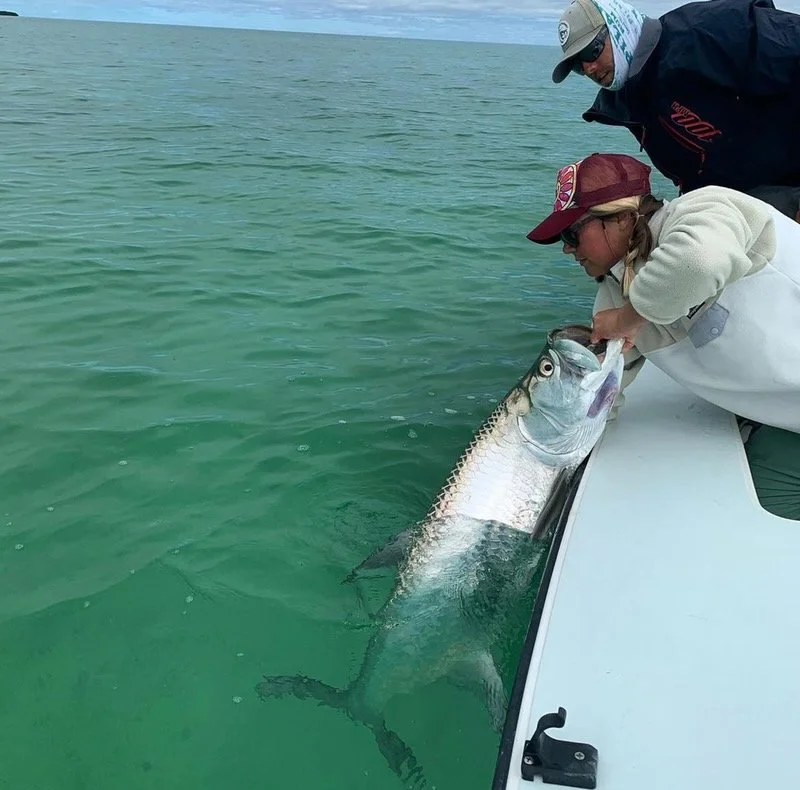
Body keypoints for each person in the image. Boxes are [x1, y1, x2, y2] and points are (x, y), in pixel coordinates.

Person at [526, 152, 800, 516]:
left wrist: (631, 316)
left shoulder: (707, 208)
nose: (567, 248)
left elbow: (700, 262)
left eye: (573, 233)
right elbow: (599, 402)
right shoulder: (612, 296)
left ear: (622, 216)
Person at [550, 0, 800, 198]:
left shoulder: (706, 30)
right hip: (733, 210)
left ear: (618, 25)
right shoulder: (628, 101)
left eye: (591, 50)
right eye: (577, 66)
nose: (590, 67)